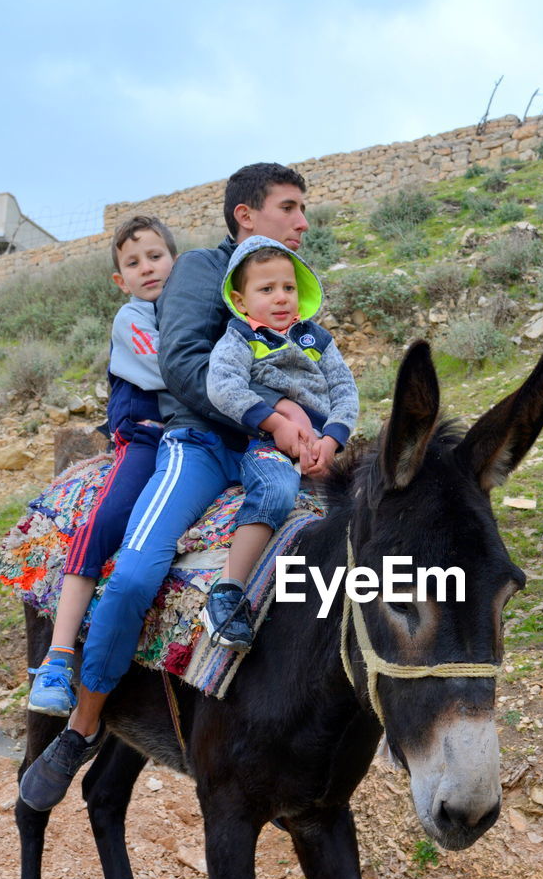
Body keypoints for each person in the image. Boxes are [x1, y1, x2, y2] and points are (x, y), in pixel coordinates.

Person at [19, 163, 309, 812]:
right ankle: (82, 719)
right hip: (197, 442)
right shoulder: (198, 274)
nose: (301, 222)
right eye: (289, 208)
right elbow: (179, 363)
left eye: (302, 210)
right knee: (130, 575)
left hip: (262, 447)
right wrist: (271, 412)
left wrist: (321, 427)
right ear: (246, 215)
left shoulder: (291, 287)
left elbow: (311, 367)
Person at [27, 214, 176, 715]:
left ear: (174, 261)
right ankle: (58, 655)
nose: (147, 268)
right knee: (107, 520)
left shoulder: (193, 314)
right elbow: (168, 370)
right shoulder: (131, 320)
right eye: (133, 263)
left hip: (194, 441)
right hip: (147, 440)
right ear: (121, 280)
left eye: (155, 256)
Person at [201, 235, 357, 650]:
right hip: (268, 443)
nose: (281, 298)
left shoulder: (316, 338)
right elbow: (222, 386)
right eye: (266, 289)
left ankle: (352, 605)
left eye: (288, 288)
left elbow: (344, 390)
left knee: (360, 503)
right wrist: (274, 422)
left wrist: (332, 441)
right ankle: (228, 592)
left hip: (321, 445)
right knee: (276, 489)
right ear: (240, 298)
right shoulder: (239, 337)